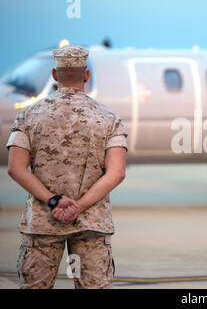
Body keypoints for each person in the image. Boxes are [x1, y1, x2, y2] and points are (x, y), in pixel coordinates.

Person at [6, 45, 128, 289]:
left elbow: (15, 168)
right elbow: (117, 172)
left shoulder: (29, 115)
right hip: (91, 225)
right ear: (86, 75)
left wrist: (53, 201)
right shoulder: (109, 118)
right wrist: (78, 207)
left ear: (54, 75)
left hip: (43, 223)